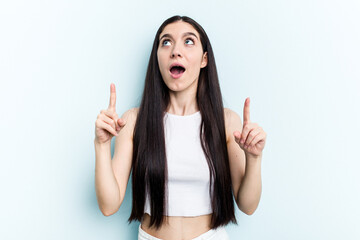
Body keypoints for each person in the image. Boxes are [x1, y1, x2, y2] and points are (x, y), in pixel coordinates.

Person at [94, 15, 267, 240]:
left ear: (204, 59)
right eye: (166, 42)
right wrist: (101, 144)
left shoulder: (226, 121)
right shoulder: (135, 121)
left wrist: (254, 158)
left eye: (188, 41)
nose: (175, 50)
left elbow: (248, 205)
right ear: (157, 58)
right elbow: (108, 205)